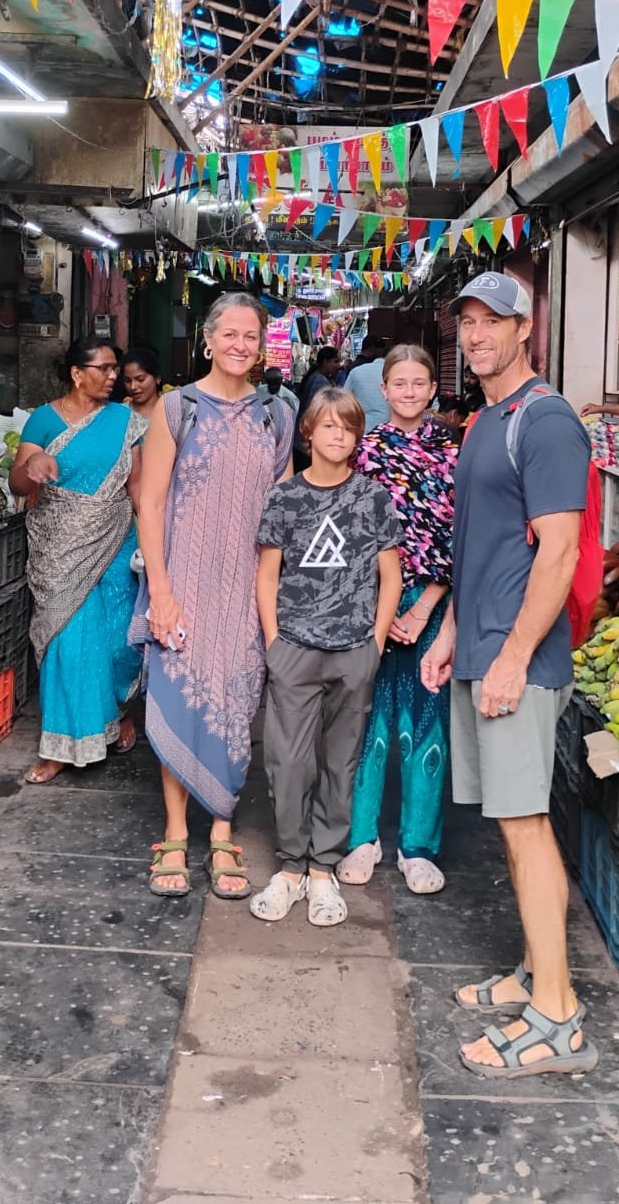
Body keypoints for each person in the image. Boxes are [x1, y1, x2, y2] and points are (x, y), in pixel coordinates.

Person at [421, 270, 598, 1080]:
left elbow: (557, 552)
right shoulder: (486, 419)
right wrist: (452, 631)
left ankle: (557, 1019)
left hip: (518, 657)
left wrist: (515, 657)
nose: (478, 334)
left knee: (525, 825)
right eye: (467, 321)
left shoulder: (547, 420)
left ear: (527, 327)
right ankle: (536, 970)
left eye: (494, 320)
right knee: (516, 821)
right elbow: (481, 545)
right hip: (485, 643)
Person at [134, 293, 293, 898]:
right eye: (229, 334)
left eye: (250, 336)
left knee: (235, 704)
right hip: (184, 583)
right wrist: (161, 591)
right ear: (208, 340)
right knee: (179, 699)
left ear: (261, 346)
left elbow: (281, 516)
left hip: (246, 589)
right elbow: (151, 504)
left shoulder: (276, 416)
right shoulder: (177, 409)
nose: (239, 345)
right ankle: (176, 833)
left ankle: (222, 830)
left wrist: (272, 599)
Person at [251, 389, 403, 927]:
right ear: (308, 432)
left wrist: (375, 644)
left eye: (349, 428)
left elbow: (391, 577)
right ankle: (291, 866)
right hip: (294, 647)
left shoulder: (373, 498)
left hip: (354, 650)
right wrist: (274, 643)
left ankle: (323, 871)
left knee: (341, 764)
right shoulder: (285, 497)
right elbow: (267, 575)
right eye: (329, 426)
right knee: (288, 762)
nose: (339, 436)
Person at [338, 345, 458, 896]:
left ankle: (418, 845)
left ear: (432, 389)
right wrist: (380, 609)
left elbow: (461, 538)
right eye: (399, 383)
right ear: (382, 390)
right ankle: (361, 837)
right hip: (369, 602)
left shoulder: (453, 454)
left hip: (432, 603)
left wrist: (424, 605)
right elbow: (348, 537)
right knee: (366, 719)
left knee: (426, 718)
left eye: (419, 383)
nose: (409, 392)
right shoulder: (363, 453)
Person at [11, 335, 146, 782]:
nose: (113, 377)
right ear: (76, 373)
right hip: (60, 550)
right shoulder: (44, 420)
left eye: (114, 368)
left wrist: (154, 546)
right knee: (68, 640)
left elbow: (138, 490)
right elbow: (17, 482)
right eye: (103, 369)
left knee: (118, 640)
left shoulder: (124, 420)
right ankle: (59, 746)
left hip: (116, 543)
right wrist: (31, 468)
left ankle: (117, 714)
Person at [344, 335, 389, 433]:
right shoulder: (394, 373)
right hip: (388, 430)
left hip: (362, 428)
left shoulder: (355, 370)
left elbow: (344, 401)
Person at [121, 347, 164, 421]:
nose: (133, 387)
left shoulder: (171, 412)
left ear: (157, 378)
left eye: (140, 379)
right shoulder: (119, 414)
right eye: (128, 381)